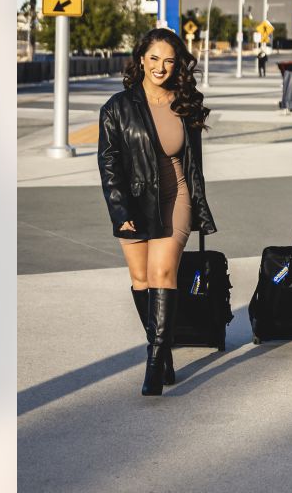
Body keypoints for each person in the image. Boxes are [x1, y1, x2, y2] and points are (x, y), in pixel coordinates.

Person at [98, 29, 216, 396]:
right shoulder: (117, 107)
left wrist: (198, 204)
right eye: (153, 59)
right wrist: (120, 210)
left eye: (168, 60)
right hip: (133, 201)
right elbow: (109, 163)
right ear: (141, 60)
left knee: (163, 271)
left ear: (177, 64)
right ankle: (164, 354)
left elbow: (192, 164)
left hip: (175, 195)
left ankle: (153, 361)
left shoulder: (186, 104)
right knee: (140, 278)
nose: (160, 67)